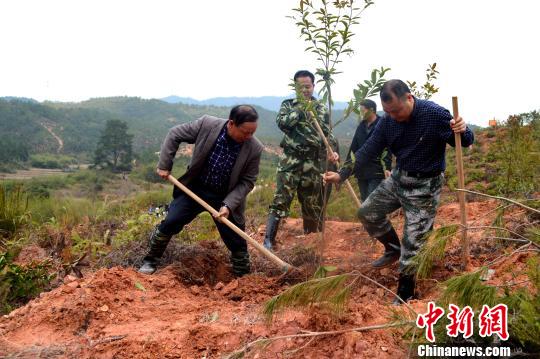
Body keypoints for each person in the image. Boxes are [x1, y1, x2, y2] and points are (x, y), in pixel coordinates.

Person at [343, 79, 473, 304]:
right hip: (398, 178)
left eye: (396, 110)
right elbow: (367, 150)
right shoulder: (387, 121)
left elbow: (463, 141)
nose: (393, 116)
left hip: (425, 185)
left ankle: (406, 291)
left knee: (412, 241)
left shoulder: (433, 114)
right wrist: (342, 173)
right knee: (367, 212)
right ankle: (392, 248)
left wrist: (464, 129)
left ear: (409, 98)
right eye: (388, 112)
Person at [138, 105, 263, 277]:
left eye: (252, 132)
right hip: (195, 190)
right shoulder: (207, 125)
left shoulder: (254, 148)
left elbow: (248, 181)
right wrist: (165, 165)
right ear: (231, 123)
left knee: (237, 240)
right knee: (170, 222)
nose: (249, 136)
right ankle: (150, 260)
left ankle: (243, 278)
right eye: (245, 132)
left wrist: (228, 205)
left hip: (225, 197)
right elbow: (175, 133)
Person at [263, 70, 339, 250]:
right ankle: (268, 241)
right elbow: (283, 123)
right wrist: (301, 108)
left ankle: (310, 242)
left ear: (313, 86)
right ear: (295, 87)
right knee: (281, 200)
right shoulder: (288, 105)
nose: (305, 90)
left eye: (308, 86)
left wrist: (333, 152)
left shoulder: (321, 108)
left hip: (313, 164)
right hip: (291, 161)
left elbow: (328, 135)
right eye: (300, 87)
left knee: (312, 204)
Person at [324, 99, 392, 203]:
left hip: (376, 171)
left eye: (362, 110)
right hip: (361, 171)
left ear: (372, 110)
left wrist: (387, 167)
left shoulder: (381, 125)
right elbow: (353, 149)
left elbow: (388, 149)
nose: (360, 113)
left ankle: (374, 219)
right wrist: (344, 170)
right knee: (365, 202)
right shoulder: (361, 126)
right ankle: (367, 219)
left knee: (372, 202)